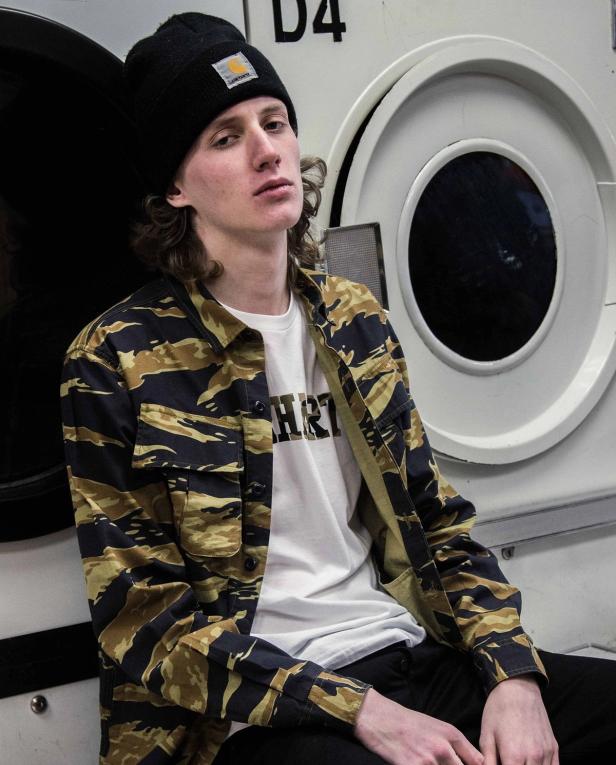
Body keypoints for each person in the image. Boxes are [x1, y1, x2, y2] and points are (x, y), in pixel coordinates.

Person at [60, 13, 615, 765]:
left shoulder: (353, 320)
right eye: (225, 137)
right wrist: (359, 711)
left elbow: (435, 520)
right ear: (176, 188)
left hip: (402, 652)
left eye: (274, 122)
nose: (266, 151)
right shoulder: (116, 358)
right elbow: (145, 625)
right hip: (250, 719)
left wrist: (512, 674)